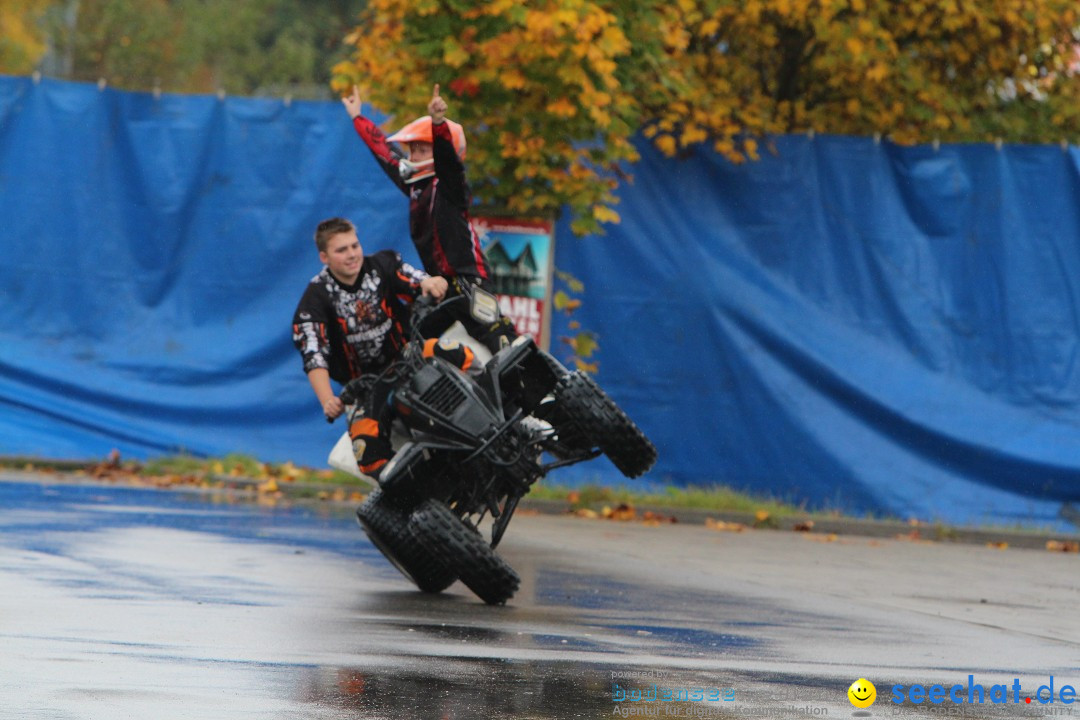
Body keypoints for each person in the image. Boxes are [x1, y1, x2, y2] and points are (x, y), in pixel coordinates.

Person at [342, 83, 517, 354]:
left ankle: (542, 393)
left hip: (470, 283)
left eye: (421, 149)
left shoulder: (450, 186)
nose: (413, 156)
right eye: (412, 149)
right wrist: (358, 118)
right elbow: (387, 154)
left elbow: (448, 160)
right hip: (439, 287)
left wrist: (438, 123)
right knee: (408, 345)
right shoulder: (415, 185)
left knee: (505, 350)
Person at [292, 217, 471, 478]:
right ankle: (419, 496)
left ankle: (508, 414)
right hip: (367, 388)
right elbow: (313, 353)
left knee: (456, 352)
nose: (352, 255)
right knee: (367, 453)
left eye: (354, 246)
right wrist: (328, 400)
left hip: (408, 357)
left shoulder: (381, 264)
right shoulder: (314, 299)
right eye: (341, 250)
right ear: (324, 257)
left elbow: (411, 277)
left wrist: (429, 282)